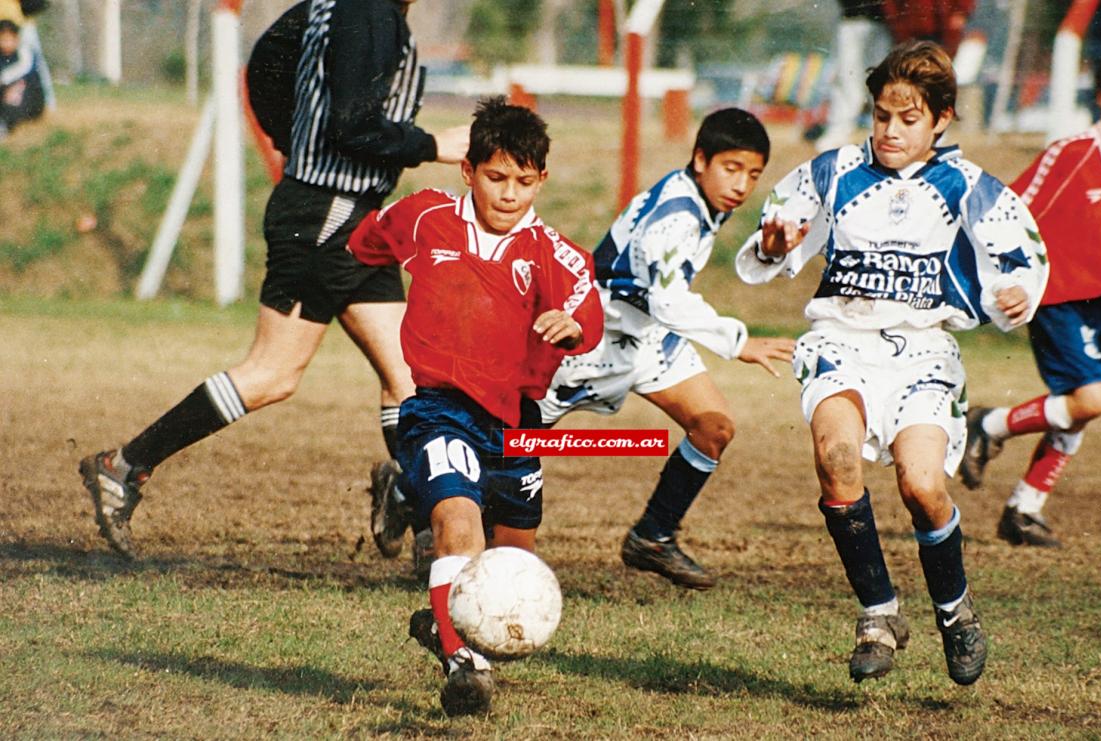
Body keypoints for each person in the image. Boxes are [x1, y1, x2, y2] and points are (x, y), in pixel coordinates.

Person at [78, 0, 470, 560]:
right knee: (273, 372)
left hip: (348, 213)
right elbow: (352, 124)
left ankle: (409, 496)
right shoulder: (369, 12)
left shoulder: (343, 6)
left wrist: (294, 140)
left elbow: (265, 63)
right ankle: (124, 466)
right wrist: (433, 146)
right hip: (326, 216)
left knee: (410, 373)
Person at [736, 41, 1049, 685]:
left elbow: (1024, 258)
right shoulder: (831, 171)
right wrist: (771, 244)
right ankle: (879, 614)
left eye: (908, 120)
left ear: (940, 120)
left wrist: (1018, 293)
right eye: (882, 115)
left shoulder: (967, 185)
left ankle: (955, 610)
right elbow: (772, 240)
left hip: (924, 352)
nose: (891, 130)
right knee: (837, 460)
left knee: (923, 486)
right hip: (840, 342)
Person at [347, 96, 603, 716]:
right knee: (458, 527)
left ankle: (444, 616)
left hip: (516, 424)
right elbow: (366, 244)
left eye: (523, 181)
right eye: (495, 177)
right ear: (468, 170)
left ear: (541, 179)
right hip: (438, 408)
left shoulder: (552, 251)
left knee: (513, 558)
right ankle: (465, 662)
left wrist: (571, 326)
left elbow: (586, 307)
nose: (509, 193)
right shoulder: (424, 217)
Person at [525, 108, 795, 591]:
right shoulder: (675, 218)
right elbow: (670, 300)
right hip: (595, 337)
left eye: (752, 174)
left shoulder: (705, 199)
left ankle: (653, 536)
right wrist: (740, 343)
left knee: (713, 426)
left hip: (651, 336)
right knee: (513, 445)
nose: (741, 184)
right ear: (700, 160)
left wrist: (769, 251)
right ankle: (407, 491)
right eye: (731, 169)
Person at [959, 49, 1101, 548]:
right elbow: (1009, 208)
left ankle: (1023, 508)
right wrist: (1006, 277)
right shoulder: (1074, 152)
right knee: (1090, 399)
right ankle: (987, 424)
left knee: (1078, 407)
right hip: (1056, 294)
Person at [812, 1, 892, 152]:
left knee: (882, 81)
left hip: (883, 22)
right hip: (851, 20)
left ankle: (884, 132)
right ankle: (838, 131)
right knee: (847, 79)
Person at [0, 16, 44, 138]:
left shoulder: (25, 55)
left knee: (14, 92)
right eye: (2, 39)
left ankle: (6, 126)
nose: (5, 43)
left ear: (17, 39)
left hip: (27, 99)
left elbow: (25, 71)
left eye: (9, 39)